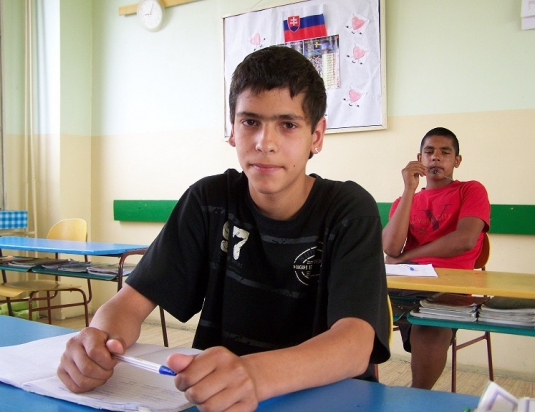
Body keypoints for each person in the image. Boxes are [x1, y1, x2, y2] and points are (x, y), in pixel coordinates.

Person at [57, 45, 390, 411]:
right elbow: (130, 302)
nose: (265, 143)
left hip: (330, 402)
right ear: (232, 130)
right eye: (250, 122)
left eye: (288, 125)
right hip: (218, 401)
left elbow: (355, 344)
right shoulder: (209, 201)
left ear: (317, 136)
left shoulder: (348, 211)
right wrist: (97, 341)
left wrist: (254, 376)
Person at [382, 127, 490, 390]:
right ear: (420, 158)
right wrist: (409, 189)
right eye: (429, 152)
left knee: (429, 323)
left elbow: (465, 240)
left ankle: (417, 398)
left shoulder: (470, 190)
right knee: (353, 304)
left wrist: (407, 256)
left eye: (445, 152)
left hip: (450, 284)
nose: (436, 157)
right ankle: (360, 388)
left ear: (457, 160)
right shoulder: (404, 200)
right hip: (407, 282)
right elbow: (390, 248)